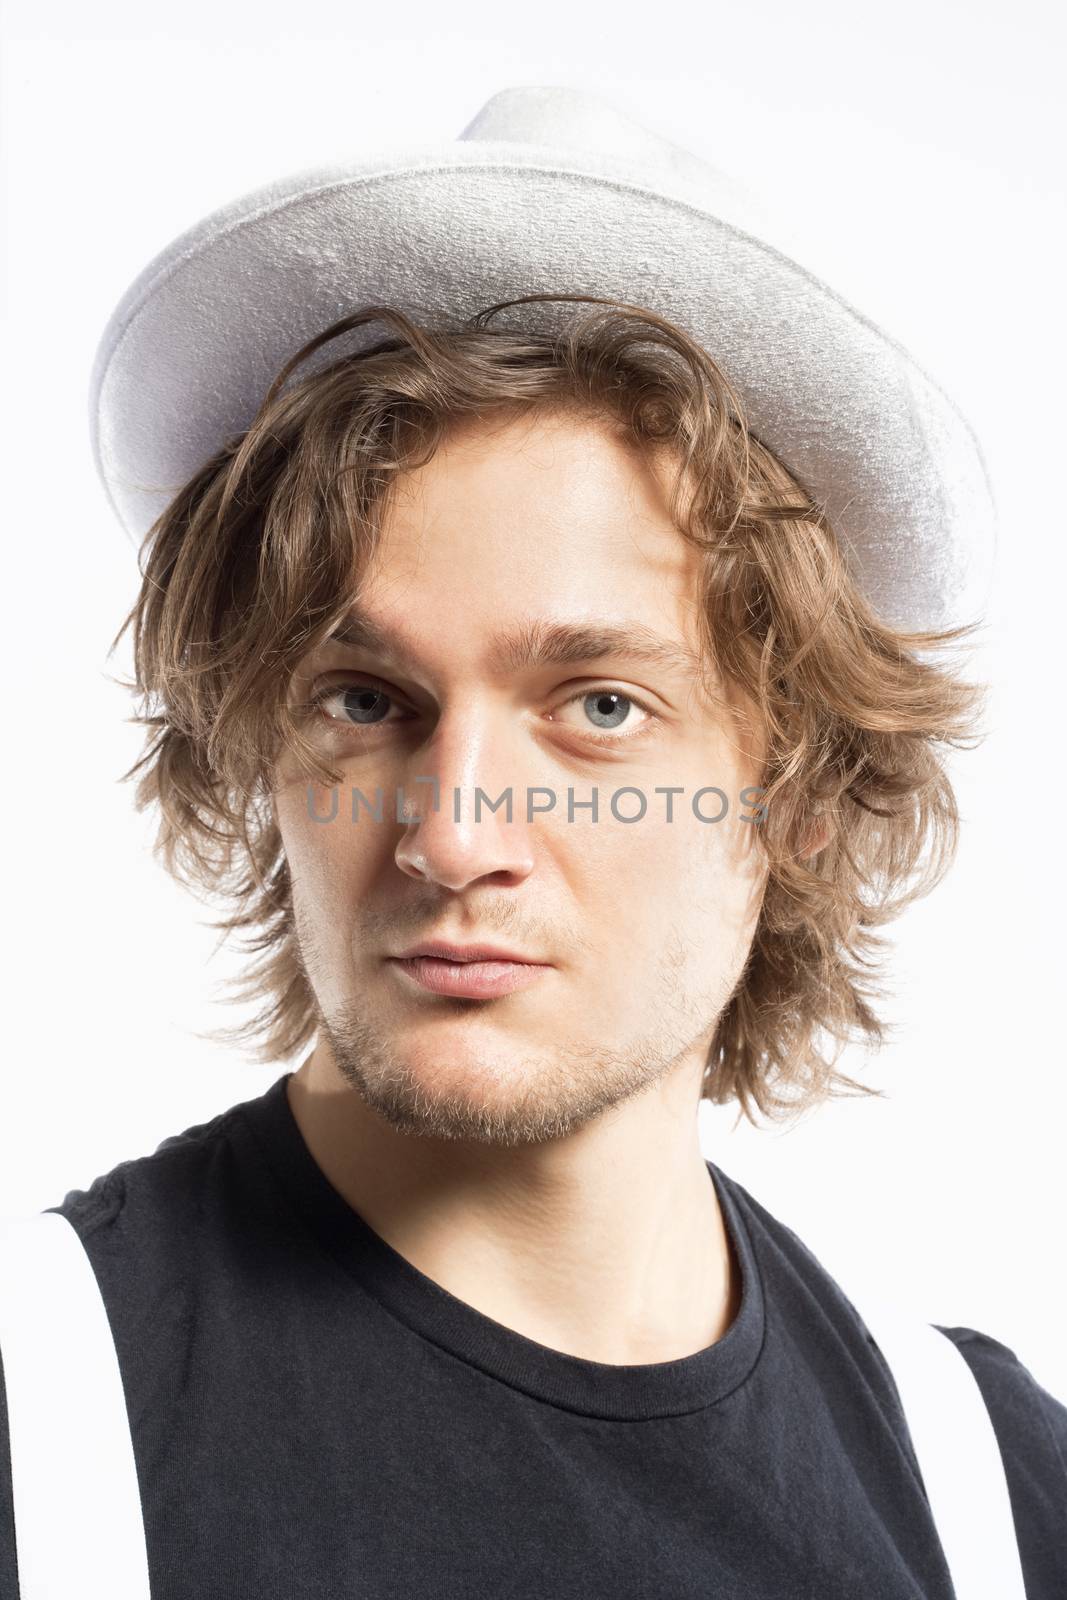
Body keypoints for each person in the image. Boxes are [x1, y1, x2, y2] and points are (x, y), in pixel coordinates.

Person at [1, 85, 1064, 1598]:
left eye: (601, 707)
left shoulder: (997, 1499)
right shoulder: (42, 1417)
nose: (450, 831)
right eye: (366, 699)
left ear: (808, 794)